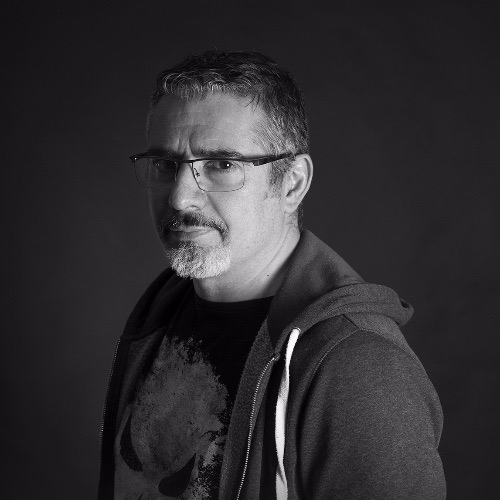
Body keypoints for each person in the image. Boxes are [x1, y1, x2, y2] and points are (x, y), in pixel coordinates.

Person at [98, 50, 445, 500]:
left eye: (222, 165)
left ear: (291, 183)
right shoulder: (158, 316)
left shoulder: (359, 367)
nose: (181, 197)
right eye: (166, 164)